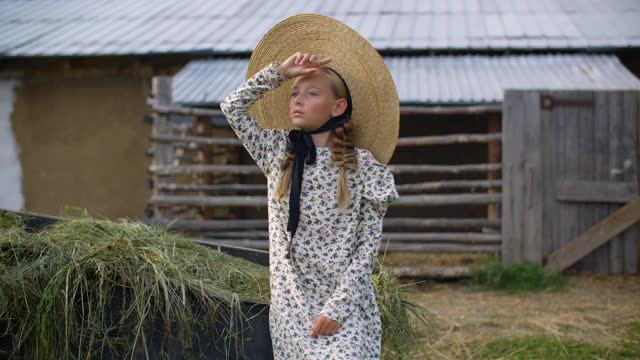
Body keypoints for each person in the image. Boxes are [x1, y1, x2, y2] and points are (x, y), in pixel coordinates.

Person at [220, 14, 400, 359]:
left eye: (311, 92)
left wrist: (338, 308)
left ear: (338, 107)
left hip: (346, 311)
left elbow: (366, 248)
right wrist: (278, 73)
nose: (297, 100)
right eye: (294, 93)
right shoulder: (277, 153)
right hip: (292, 312)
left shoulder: (363, 168)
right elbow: (232, 107)